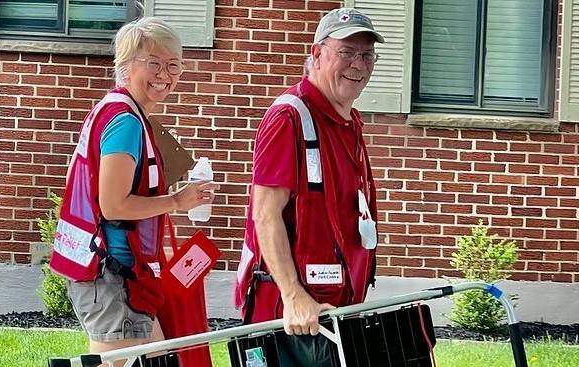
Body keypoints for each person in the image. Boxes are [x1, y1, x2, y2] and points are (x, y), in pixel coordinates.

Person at [50, 17, 218, 366]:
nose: (165, 74)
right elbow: (113, 205)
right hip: (112, 274)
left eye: (173, 65)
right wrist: (175, 201)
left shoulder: (119, 111)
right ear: (125, 67)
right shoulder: (126, 121)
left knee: (155, 358)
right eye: (153, 63)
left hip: (113, 274)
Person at [234, 7, 383, 365]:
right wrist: (293, 295)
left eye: (366, 55)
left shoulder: (347, 121)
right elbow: (265, 215)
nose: (357, 65)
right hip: (294, 318)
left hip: (333, 313)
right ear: (316, 54)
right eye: (345, 52)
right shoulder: (289, 117)